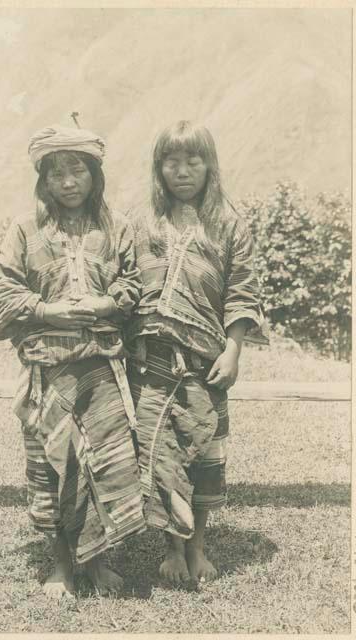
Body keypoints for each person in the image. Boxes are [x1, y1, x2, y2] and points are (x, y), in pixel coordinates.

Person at [0, 125, 145, 599]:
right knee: (54, 465)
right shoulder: (25, 231)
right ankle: (61, 565)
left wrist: (105, 304)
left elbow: (134, 286)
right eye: (57, 173)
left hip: (100, 370)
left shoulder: (117, 227)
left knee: (105, 463)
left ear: (95, 175)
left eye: (78, 170)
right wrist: (47, 310)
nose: (68, 181)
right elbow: (2, 293)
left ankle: (96, 563)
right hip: (49, 368)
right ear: (44, 180)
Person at [127, 121, 268, 587]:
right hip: (154, 360)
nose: (182, 171)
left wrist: (233, 351)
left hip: (208, 362)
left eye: (193, 160)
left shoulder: (228, 224)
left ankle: (199, 548)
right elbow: (127, 282)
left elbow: (242, 292)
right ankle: (171, 548)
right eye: (171, 161)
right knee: (159, 450)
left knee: (205, 455)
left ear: (209, 165)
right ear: (158, 166)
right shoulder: (142, 220)